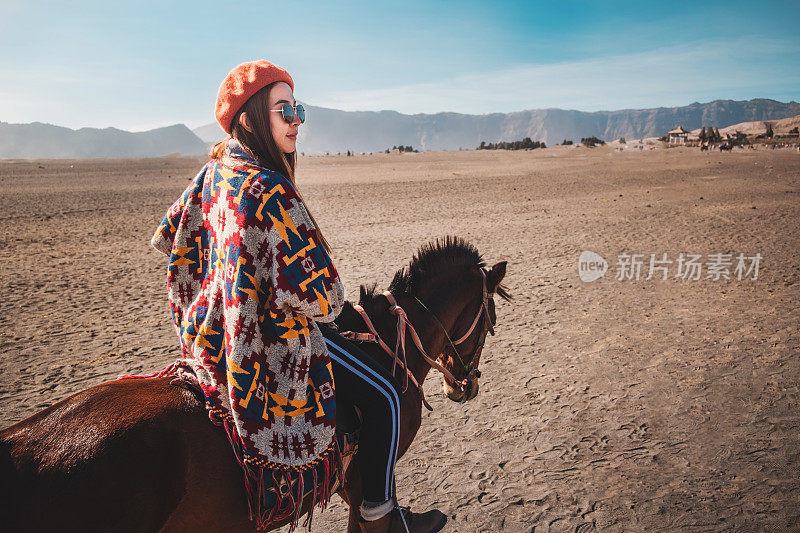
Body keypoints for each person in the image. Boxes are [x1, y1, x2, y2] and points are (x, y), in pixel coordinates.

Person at [151, 60, 444, 533]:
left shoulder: (212, 174)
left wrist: (232, 281)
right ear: (249, 117)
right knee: (389, 396)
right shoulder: (269, 189)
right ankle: (379, 516)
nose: (297, 121)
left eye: (298, 108)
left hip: (213, 338)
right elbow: (327, 298)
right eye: (283, 110)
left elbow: (170, 239)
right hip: (269, 346)